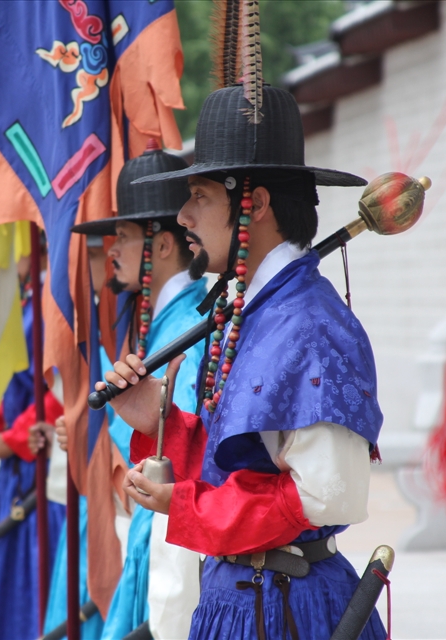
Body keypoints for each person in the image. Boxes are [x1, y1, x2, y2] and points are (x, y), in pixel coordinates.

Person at [99, 84, 386, 639]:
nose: (183, 215)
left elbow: (326, 494)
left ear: (253, 204)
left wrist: (188, 506)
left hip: (285, 610)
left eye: (199, 197)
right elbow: (242, 463)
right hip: (242, 598)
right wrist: (159, 419)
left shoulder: (312, 325)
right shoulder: (253, 309)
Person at [38, 142, 206, 639]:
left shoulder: (188, 332)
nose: (111, 249)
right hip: (138, 523)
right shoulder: (157, 321)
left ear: (163, 245)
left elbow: (176, 451)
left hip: (160, 530)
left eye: (125, 237)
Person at [0, 253, 66, 640]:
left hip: (37, 467)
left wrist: (13, 438)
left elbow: (62, 387)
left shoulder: (51, 298)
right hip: (16, 469)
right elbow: (9, 385)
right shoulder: (26, 294)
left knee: (32, 595)